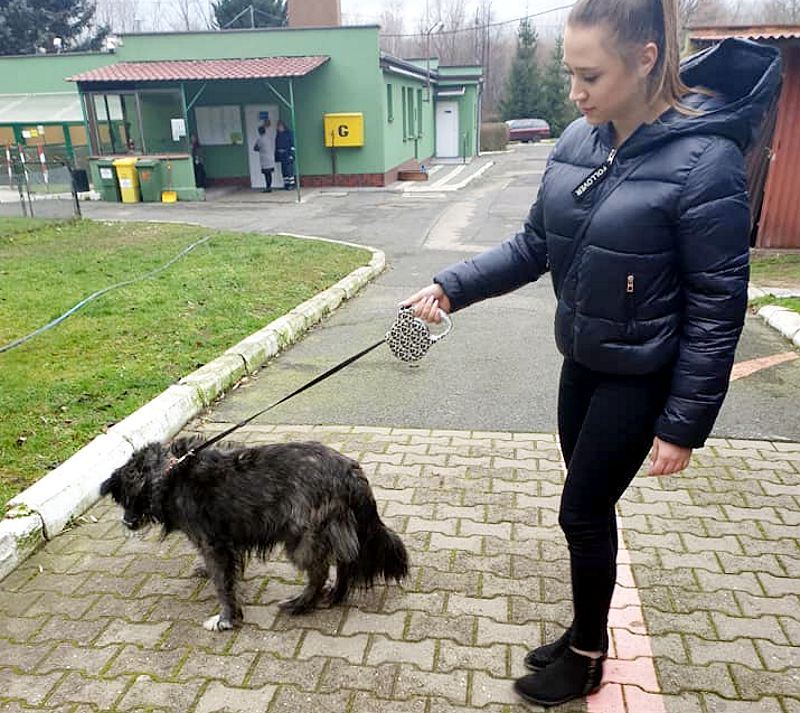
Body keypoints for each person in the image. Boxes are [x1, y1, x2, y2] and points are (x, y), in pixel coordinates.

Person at [402, 0, 780, 707]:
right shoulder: (582, 140)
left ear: (644, 59)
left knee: (581, 509)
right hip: (581, 362)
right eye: (571, 73)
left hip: (642, 376)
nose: (576, 93)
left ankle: (585, 655)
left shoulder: (707, 161)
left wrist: (682, 423)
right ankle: (585, 623)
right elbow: (533, 245)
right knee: (590, 507)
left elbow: (717, 304)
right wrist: (451, 287)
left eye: (589, 75)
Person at [253, 122, 276, 192]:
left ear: (259, 132)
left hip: (264, 159)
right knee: (269, 174)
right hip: (271, 157)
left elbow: (255, 148)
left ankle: (268, 187)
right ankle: (269, 187)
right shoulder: (269, 137)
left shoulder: (260, 140)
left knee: (266, 174)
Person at [275, 120, 296, 190]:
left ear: (283, 126)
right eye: (278, 126)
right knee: (284, 170)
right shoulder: (278, 134)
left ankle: (291, 184)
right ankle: (286, 184)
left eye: (279, 126)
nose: (278, 128)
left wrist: (291, 155)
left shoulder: (288, 133)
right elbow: (277, 145)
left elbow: (292, 145)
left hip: (288, 154)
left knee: (289, 170)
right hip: (281, 155)